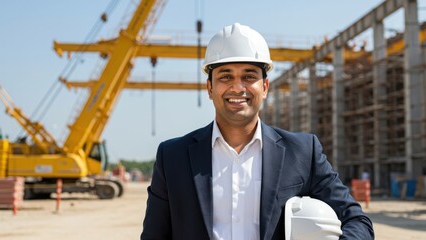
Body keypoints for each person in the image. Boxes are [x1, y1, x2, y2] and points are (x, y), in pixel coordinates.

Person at [141, 23, 374, 240]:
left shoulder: (302, 153)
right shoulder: (172, 157)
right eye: (226, 76)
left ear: (264, 87)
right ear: (210, 88)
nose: (238, 87)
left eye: (249, 76)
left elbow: (358, 222)